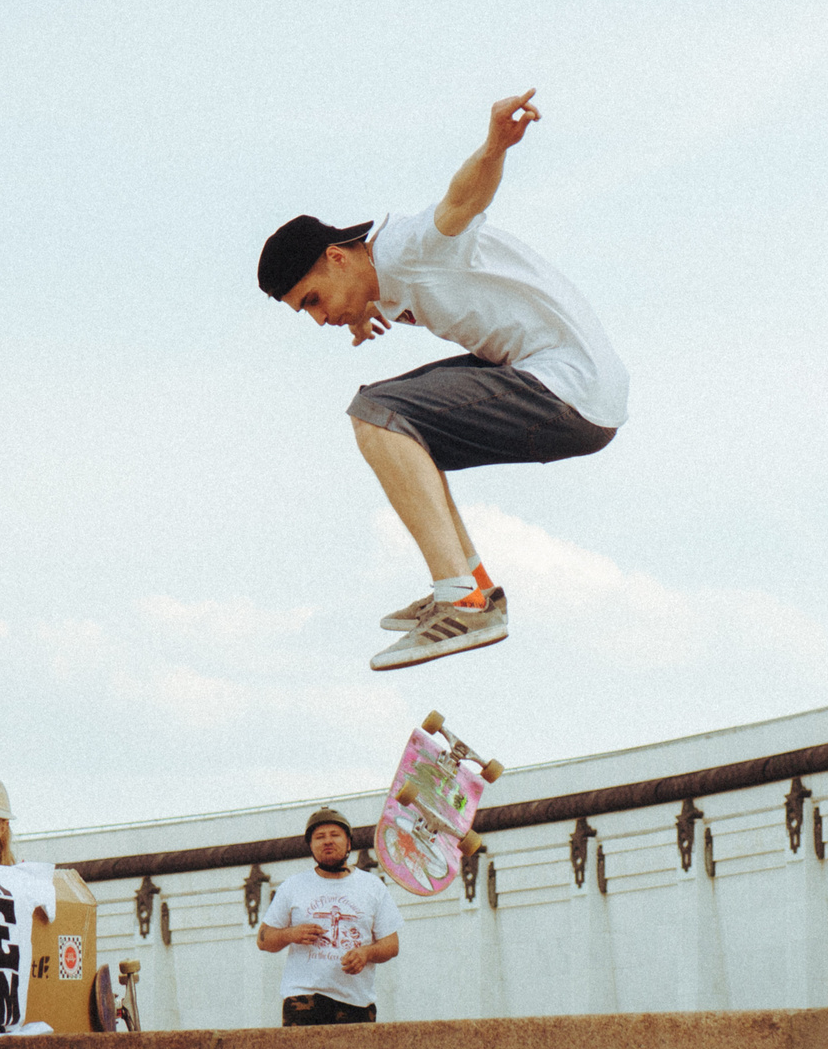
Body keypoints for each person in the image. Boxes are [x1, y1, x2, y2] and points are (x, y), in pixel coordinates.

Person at [258, 90, 629, 671]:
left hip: (568, 389)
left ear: (337, 257)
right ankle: (473, 586)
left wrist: (495, 146)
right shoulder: (383, 279)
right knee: (404, 428)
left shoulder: (407, 246)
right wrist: (364, 308)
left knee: (376, 413)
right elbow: (399, 292)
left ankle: (463, 599)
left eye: (313, 300)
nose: (322, 318)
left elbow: (460, 204)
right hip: (569, 389)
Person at [257, 807, 403, 1024]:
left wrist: (366, 953)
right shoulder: (293, 886)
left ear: (349, 843)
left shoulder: (372, 886)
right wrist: (290, 934)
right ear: (311, 846)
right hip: (304, 1000)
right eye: (319, 837)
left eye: (335, 835)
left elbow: (391, 944)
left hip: (357, 1001)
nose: (327, 841)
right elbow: (263, 939)